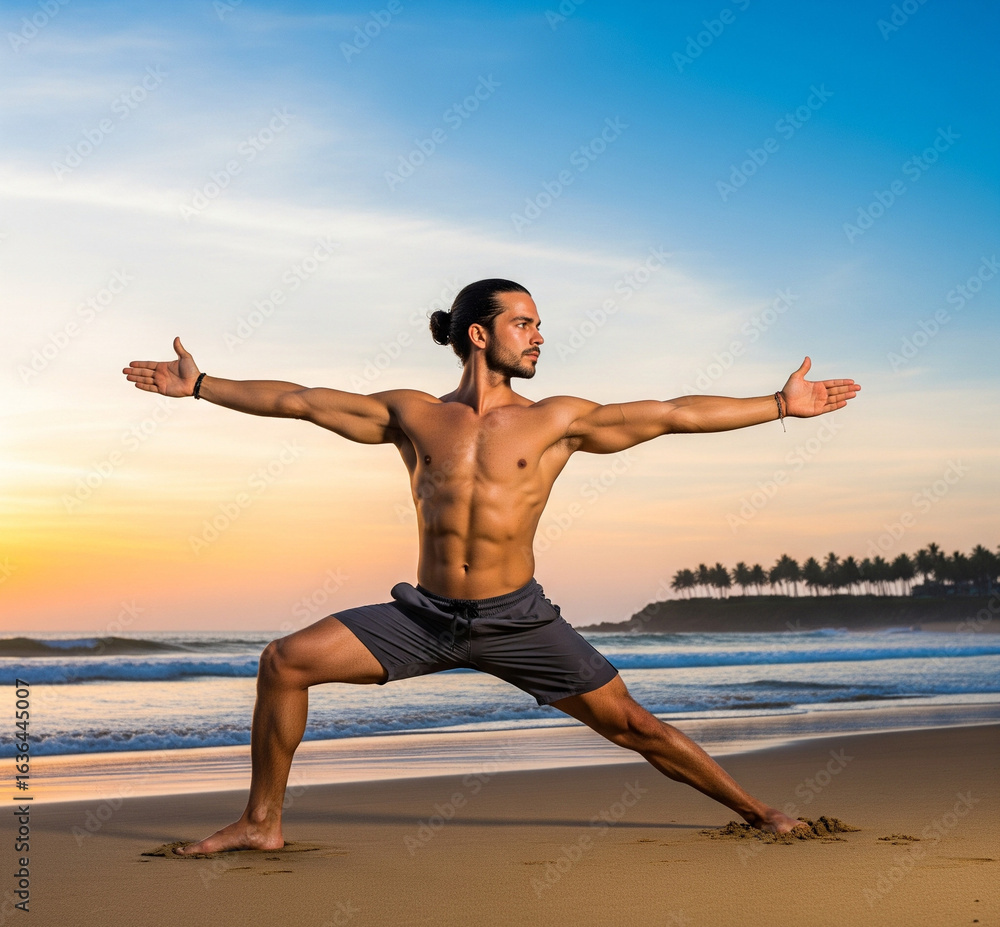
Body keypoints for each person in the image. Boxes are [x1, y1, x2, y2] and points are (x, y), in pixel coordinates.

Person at [122, 278, 860, 854]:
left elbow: (672, 413)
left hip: (518, 619)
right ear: (480, 334)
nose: (540, 336)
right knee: (285, 661)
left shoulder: (557, 419)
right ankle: (261, 821)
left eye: (538, 324)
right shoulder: (412, 413)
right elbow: (302, 400)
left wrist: (777, 404)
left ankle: (762, 812)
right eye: (525, 323)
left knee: (634, 724)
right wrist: (203, 385)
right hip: (424, 618)